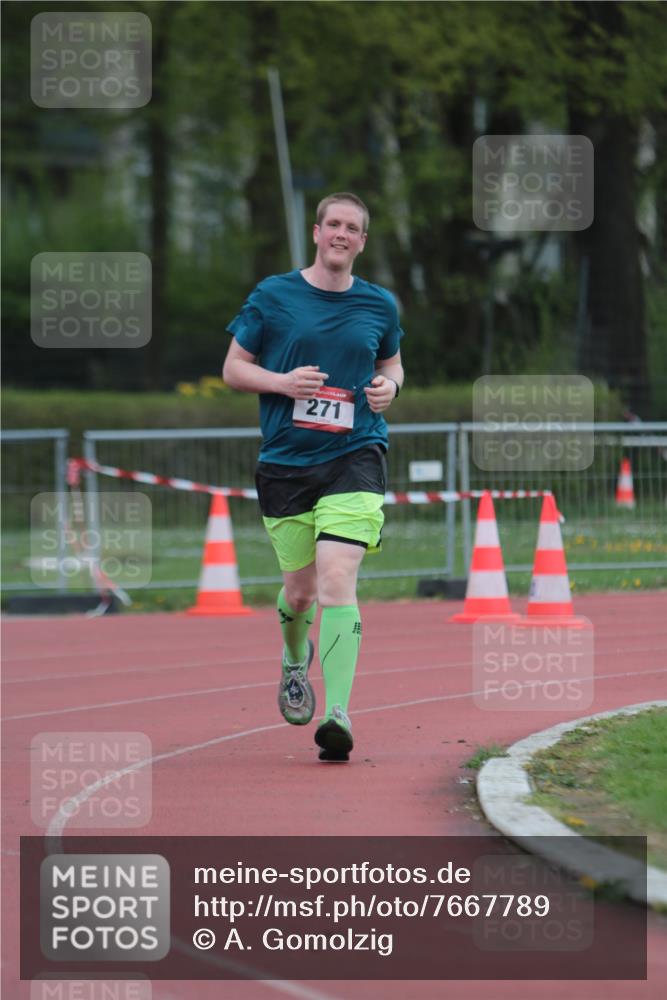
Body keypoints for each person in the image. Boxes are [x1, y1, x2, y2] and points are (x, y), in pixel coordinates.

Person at [223, 192, 404, 762]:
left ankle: (339, 713)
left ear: (362, 241)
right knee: (300, 592)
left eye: (353, 228)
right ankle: (294, 658)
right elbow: (233, 368)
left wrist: (390, 389)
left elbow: (392, 364)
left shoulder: (380, 305)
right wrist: (282, 384)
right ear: (317, 232)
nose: (342, 235)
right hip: (287, 463)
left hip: (356, 454)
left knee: (337, 578)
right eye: (334, 225)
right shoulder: (274, 296)